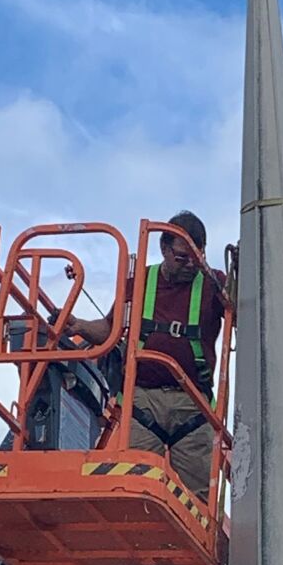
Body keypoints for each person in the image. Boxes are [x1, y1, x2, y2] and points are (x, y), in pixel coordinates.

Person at [68, 210, 225, 504]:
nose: (191, 264)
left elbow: (248, 312)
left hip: (192, 404)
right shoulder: (140, 281)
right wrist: (80, 327)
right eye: (182, 257)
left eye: (197, 255)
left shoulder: (213, 283)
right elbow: (110, 330)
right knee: (133, 490)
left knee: (197, 505)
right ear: (164, 249)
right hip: (142, 401)